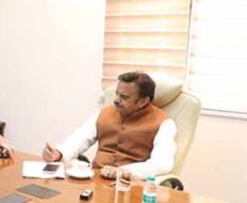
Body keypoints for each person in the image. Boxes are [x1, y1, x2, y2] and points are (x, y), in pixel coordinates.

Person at [42, 71, 177, 179]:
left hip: (129, 185)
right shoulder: (105, 112)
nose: (116, 100)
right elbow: (81, 138)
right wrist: (59, 153)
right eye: (116, 94)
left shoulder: (164, 123)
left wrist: (123, 171)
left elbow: (162, 164)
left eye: (124, 97)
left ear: (143, 101)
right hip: (95, 179)